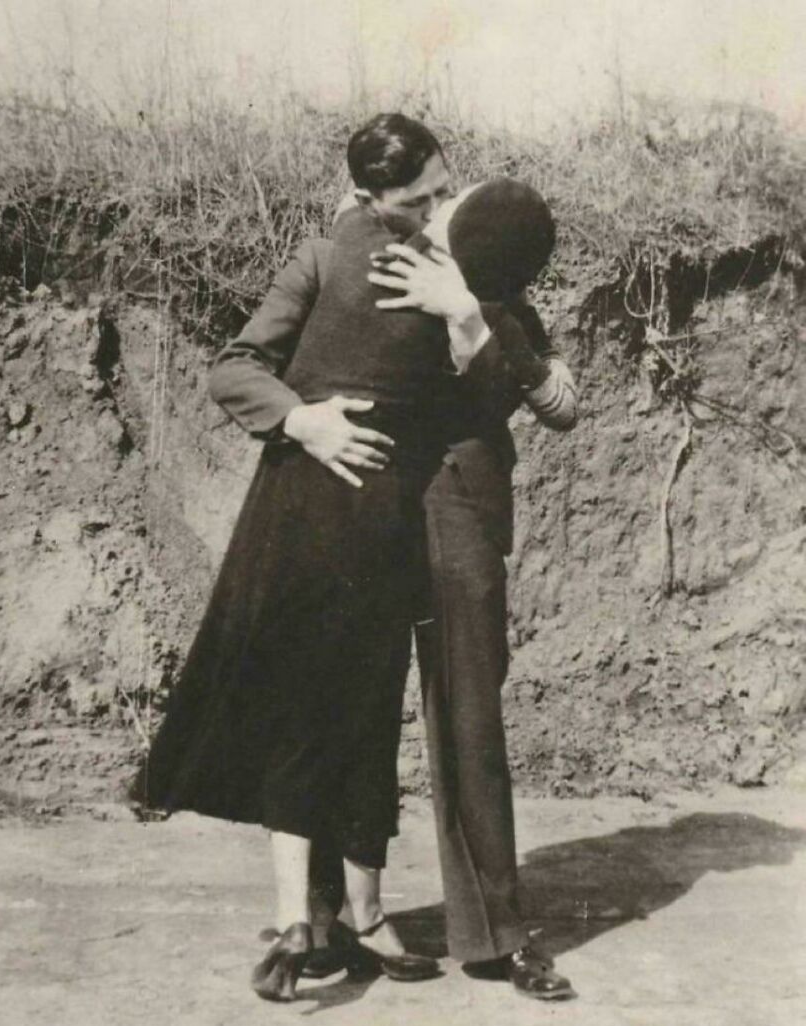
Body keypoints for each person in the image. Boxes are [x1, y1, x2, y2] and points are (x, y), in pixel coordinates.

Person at [210, 114, 578, 1001]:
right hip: (364, 500)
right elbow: (256, 361)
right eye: (419, 197)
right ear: (375, 197)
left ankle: (496, 933)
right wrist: (302, 418)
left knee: (468, 717)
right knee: (344, 702)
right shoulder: (345, 252)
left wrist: (472, 324)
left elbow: (553, 395)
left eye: (442, 192)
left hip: (454, 501)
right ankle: (330, 921)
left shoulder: (477, 255)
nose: (435, 208)